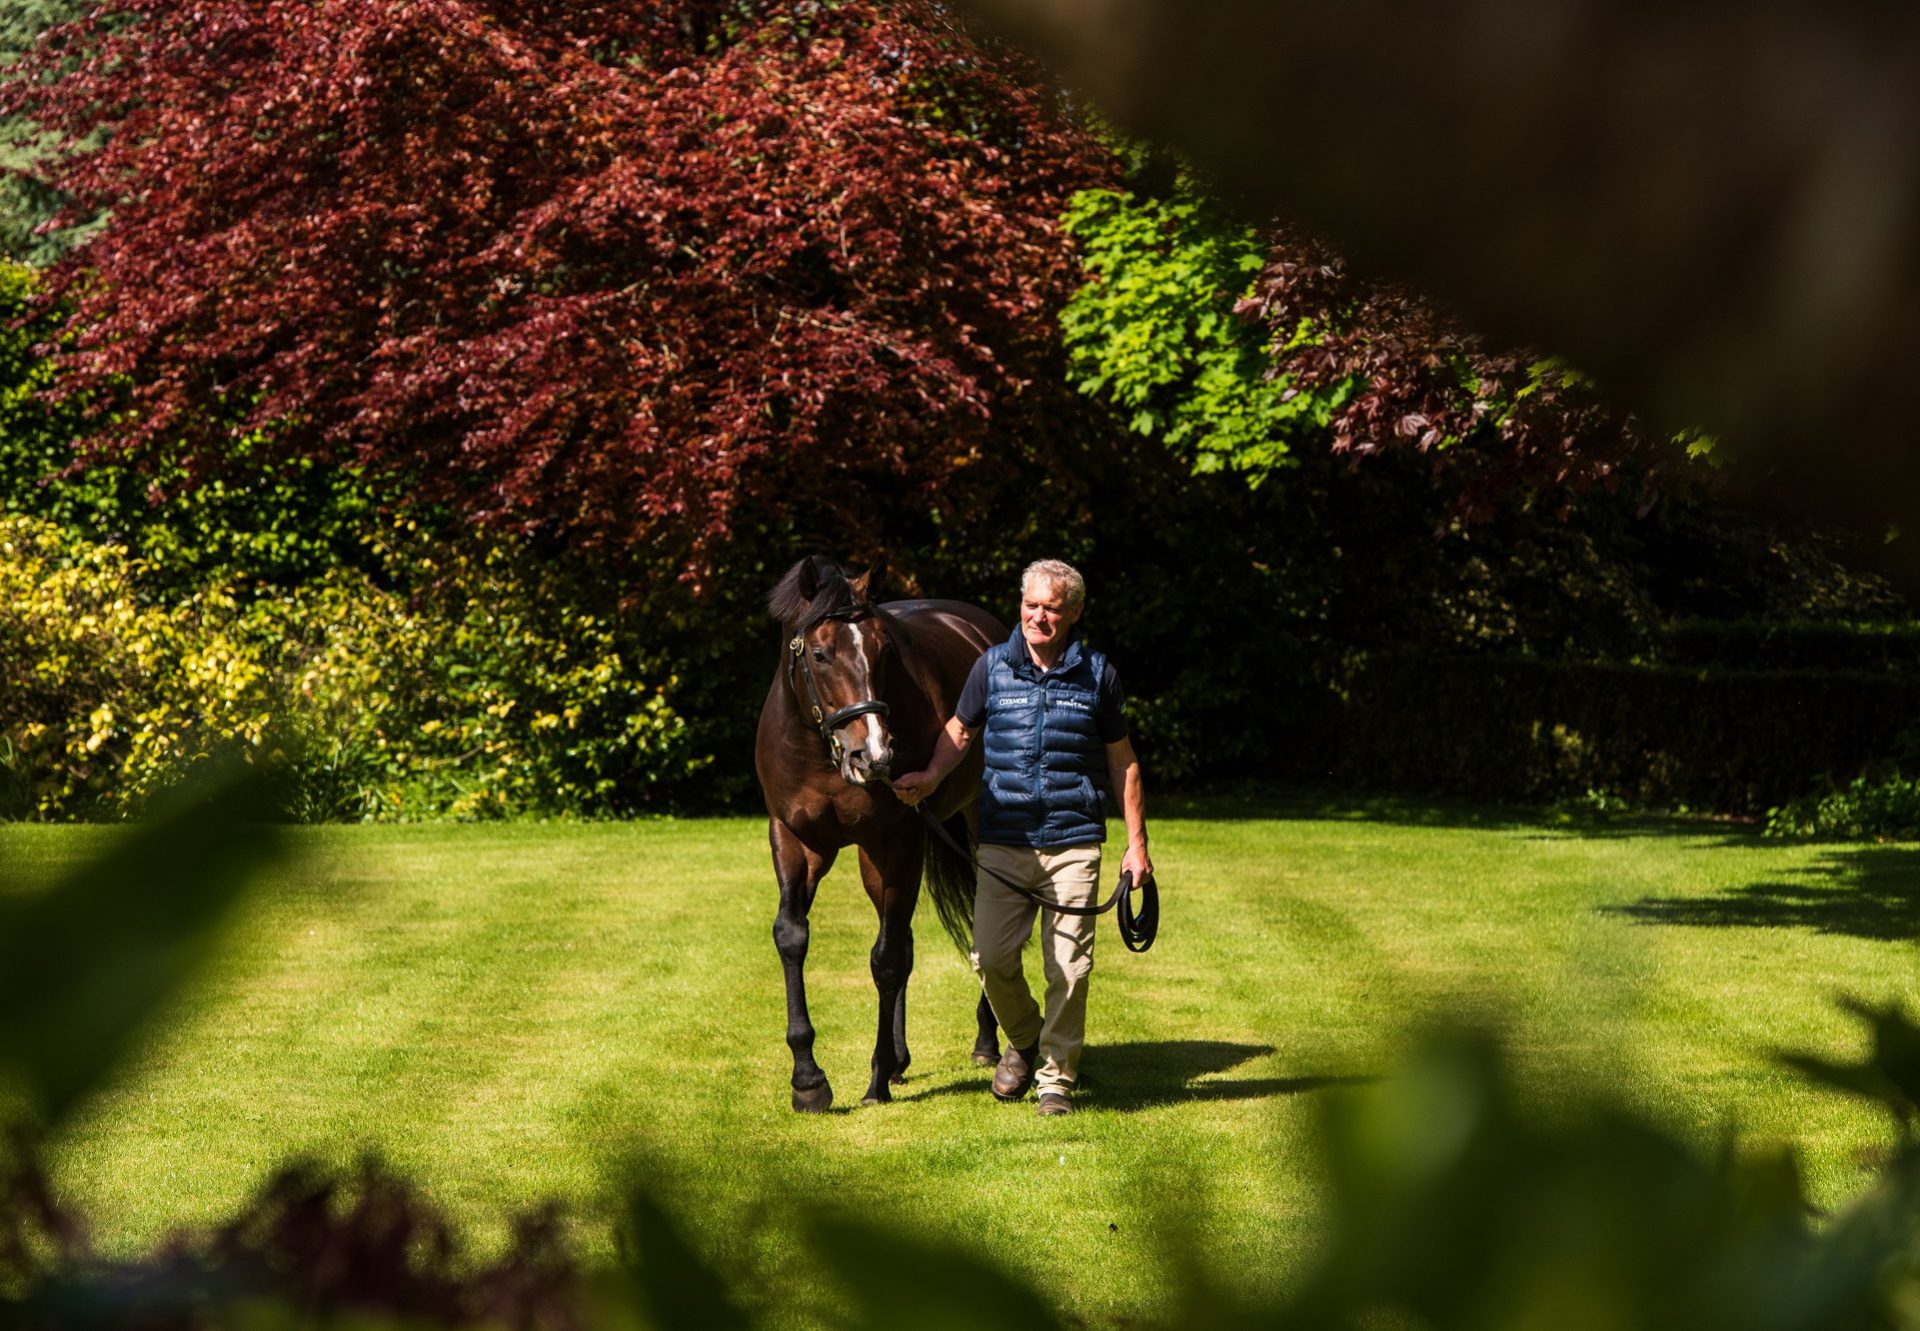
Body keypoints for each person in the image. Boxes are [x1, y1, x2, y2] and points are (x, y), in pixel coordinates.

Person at [892, 559, 1151, 1116]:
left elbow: (1122, 762)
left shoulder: (1098, 674)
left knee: (1070, 966)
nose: (1038, 617)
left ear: (1074, 613)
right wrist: (931, 777)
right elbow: (960, 732)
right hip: (1003, 840)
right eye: (1031, 605)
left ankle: (1055, 1078)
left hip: (1073, 839)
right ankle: (1029, 1039)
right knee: (990, 957)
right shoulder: (992, 667)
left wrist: (1137, 846)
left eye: (1051, 608)